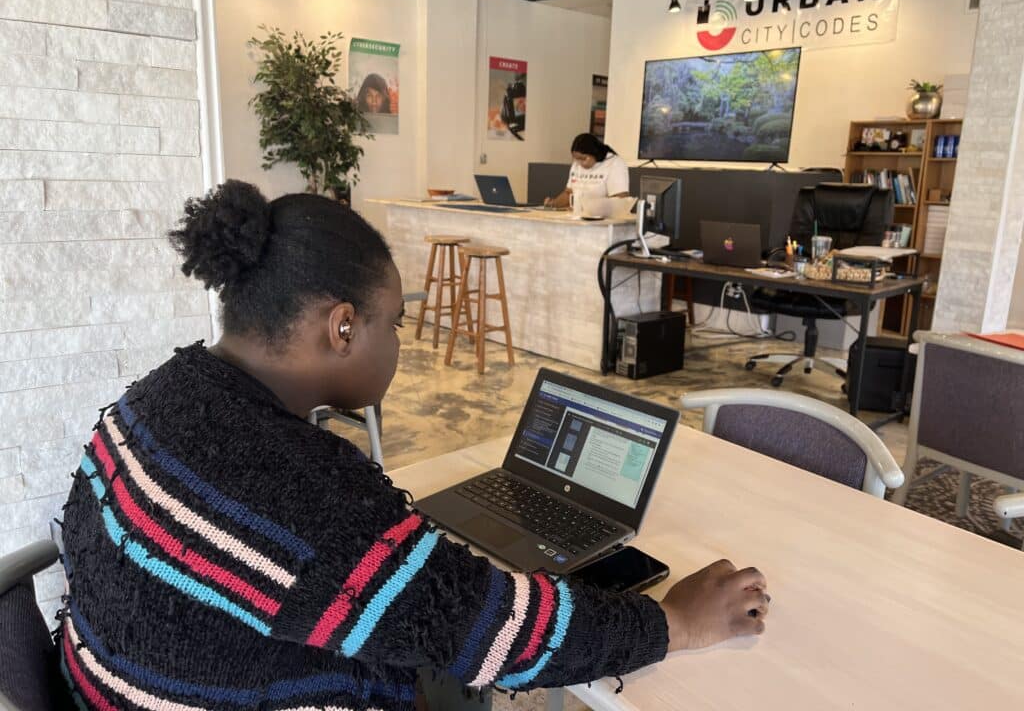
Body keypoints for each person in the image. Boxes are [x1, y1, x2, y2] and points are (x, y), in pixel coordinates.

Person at [57, 181, 769, 711]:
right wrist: (672, 621)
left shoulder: (157, 398)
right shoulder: (309, 496)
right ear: (342, 328)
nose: (401, 341)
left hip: (109, 689)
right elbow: (496, 634)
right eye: (394, 323)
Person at [545, 133, 630, 211]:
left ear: (594, 153)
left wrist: (591, 207)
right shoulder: (577, 164)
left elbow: (620, 199)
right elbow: (569, 193)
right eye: (576, 159)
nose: (579, 163)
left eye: (583, 158)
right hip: (578, 216)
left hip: (602, 219)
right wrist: (553, 204)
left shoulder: (614, 163)